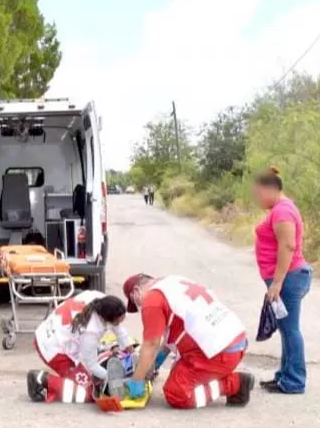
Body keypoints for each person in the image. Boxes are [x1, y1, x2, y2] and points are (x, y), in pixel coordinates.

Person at [123, 273, 255, 409]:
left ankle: (234, 384)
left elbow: (151, 344)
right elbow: (176, 326)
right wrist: (157, 360)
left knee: (176, 393)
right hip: (236, 341)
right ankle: (219, 375)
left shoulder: (151, 300)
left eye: (135, 303)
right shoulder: (173, 281)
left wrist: (137, 380)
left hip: (219, 354)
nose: (139, 308)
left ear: (136, 292)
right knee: (177, 371)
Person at [252, 166, 310, 395]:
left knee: (290, 329)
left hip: (289, 279)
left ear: (270, 189)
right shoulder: (280, 209)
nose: (258, 199)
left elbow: (288, 246)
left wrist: (277, 283)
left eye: (259, 194)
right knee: (286, 329)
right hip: (288, 277)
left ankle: (294, 381)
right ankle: (285, 376)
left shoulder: (282, 211)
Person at [26, 291, 133, 404]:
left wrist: (126, 344)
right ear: (104, 318)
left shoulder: (100, 299)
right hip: (53, 350)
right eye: (118, 320)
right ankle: (42, 380)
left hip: (48, 332)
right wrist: (112, 379)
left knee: (99, 353)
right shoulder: (90, 331)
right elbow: (92, 365)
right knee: (89, 392)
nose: (121, 322)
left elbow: (116, 323)